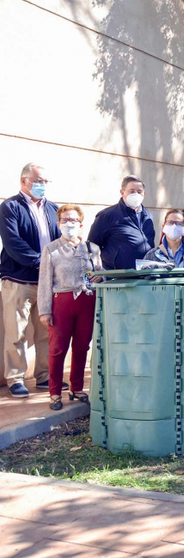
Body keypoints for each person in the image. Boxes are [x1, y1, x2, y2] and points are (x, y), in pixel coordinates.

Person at [0, 163, 60, 398]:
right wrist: (41, 263)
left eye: (45, 182)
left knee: (46, 332)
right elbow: (13, 243)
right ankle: (15, 378)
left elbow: (59, 241)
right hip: (18, 280)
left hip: (47, 284)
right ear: (24, 181)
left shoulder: (53, 209)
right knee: (17, 332)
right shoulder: (10, 207)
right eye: (38, 181)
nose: (42, 185)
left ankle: (44, 377)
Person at [38, 205, 103, 410]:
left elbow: (101, 273)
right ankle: (55, 392)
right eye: (65, 220)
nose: (69, 224)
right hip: (62, 302)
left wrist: (100, 277)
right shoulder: (51, 249)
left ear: (80, 224)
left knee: (82, 346)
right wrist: (45, 310)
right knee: (58, 348)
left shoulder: (92, 248)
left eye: (73, 220)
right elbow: (45, 281)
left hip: (87, 300)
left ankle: (77, 387)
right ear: (58, 224)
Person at [88, 175, 155, 270]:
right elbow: (93, 245)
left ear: (144, 194)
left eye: (139, 192)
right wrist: (98, 270)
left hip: (144, 273)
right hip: (118, 275)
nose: (136, 194)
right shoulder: (107, 215)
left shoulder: (148, 215)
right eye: (131, 191)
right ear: (122, 192)